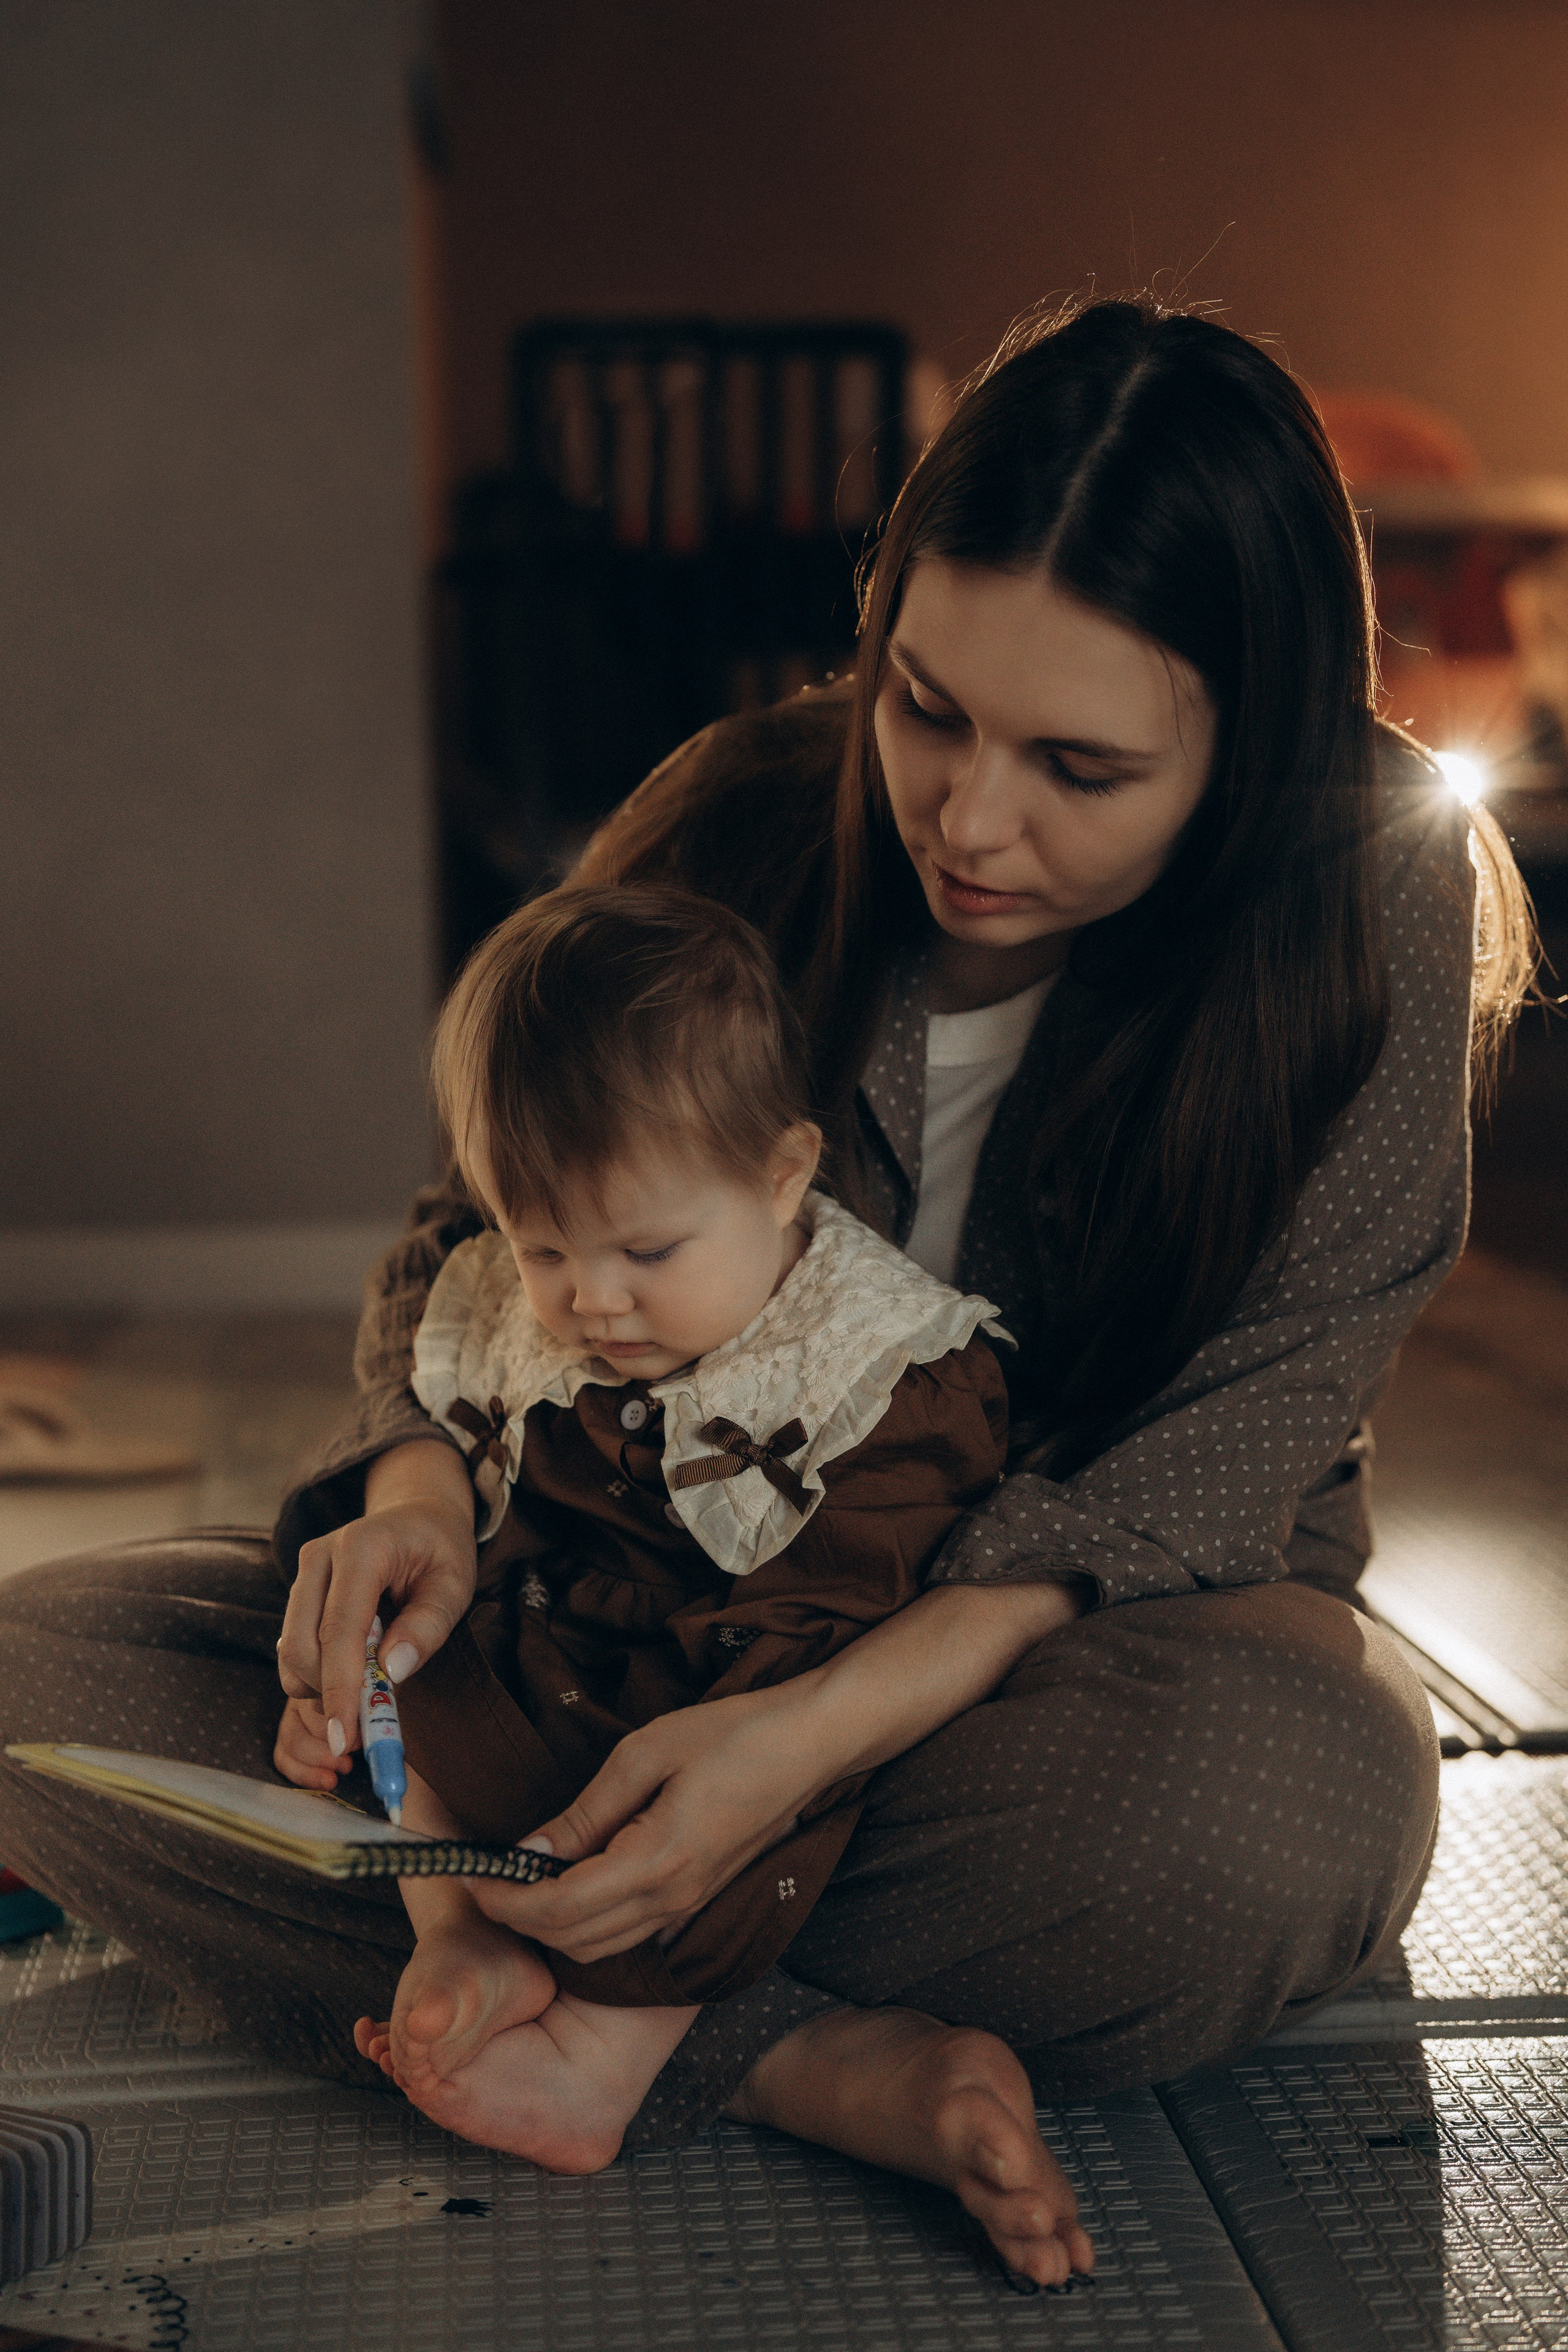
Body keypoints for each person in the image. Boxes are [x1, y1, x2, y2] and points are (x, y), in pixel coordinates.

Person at [0, 295, 1534, 2295]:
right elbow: (469, 1231)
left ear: (1251, 745)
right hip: (624, 1625)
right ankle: (794, 2052)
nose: (972, 822)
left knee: (1271, 1813)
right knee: (45, 1681)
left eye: (1080, 766)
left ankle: (582, 1970)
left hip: (1061, 1654)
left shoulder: (1380, 914)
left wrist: (805, 1741)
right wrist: (412, 1509)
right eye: (927, 708)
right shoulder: (738, 814)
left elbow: (1245, 1428)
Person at [284, 882, 1087, 2254]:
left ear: (783, 1179)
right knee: (384, 1663)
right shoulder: (539, 1305)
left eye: (646, 1251)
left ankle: (612, 2054)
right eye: (543, 1248)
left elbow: (832, 1626)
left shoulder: (879, 1368)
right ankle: (452, 1929)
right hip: (555, 1634)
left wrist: (720, 1733)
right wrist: (377, 1653)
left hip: (739, 1685)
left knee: (712, 1840)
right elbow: (490, 1490)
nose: (591, 1299)